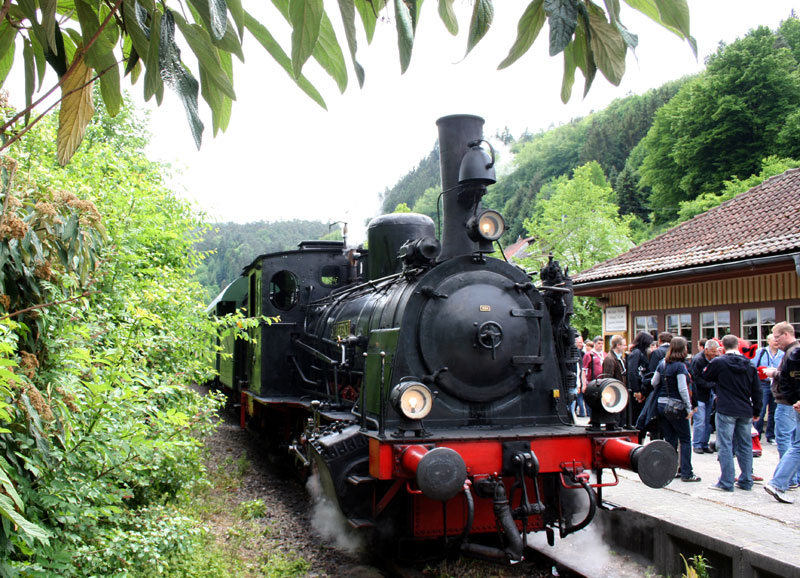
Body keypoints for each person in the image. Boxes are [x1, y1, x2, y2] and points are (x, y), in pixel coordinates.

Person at [703, 334, 762, 492]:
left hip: (726, 408)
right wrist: (757, 410)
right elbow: (757, 389)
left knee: (725, 445)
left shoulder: (719, 362)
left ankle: (726, 481)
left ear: (722, 345)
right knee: (745, 445)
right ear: (738, 346)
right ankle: (746, 479)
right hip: (745, 409)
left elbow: (706, 376)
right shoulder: (749, 364)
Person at [650, 336, 700, 482]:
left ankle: (670, 470)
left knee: (670, 439)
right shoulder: (680, 366)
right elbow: (683, 389)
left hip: (661, 405)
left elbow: (654, 382)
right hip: (677, 407)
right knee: (685, 439)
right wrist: (689, 408)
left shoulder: (663, 364)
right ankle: (686, 472)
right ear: (683, 349)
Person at [763, 322, 800, 504]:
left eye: (777, 337)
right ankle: (781, 482)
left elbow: (789, 381)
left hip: (789, 404)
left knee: (791, 442)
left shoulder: (793, 354)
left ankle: (782, 481)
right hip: (790, 403)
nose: (775, 341)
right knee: (795, 443)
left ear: (786, 334)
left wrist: (774, 374)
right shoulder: (793, 353)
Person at [690, 339, 720, 454]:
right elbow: (696, 378)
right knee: (700, 421)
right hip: (699, 394)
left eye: (716, 351)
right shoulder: (698, 360)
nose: (715, 354)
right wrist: (710, 384)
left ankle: (704, 443)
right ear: (706, 350)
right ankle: (697, 444)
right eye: (713, 351)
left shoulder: (714, 360)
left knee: (707, 421)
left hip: (709, 394)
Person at [752, 334, 783, 444]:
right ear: (768, 341)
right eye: (773, 339)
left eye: (777, 339)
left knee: (774, 410)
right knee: (761, 409)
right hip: (763, 384)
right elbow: (752, 367)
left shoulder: (782, 354)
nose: (776, 341)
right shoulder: (760, 352)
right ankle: (757, 435)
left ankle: (771, 435)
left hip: (776, 384)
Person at [627, 331, 654, 432]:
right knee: (636, 418)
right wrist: (637, 390)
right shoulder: (637, 353)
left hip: (641, 389)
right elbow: (632, 372)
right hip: (637, 390)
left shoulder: (640, 353)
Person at [570, 335, 587, 418]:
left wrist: (580, 383)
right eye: (579, 342)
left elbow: (580, 369)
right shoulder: (574, 353)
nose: (581, 344)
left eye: (581, 342)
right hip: (572, 382)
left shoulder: (579, 353)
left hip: (576, 382)